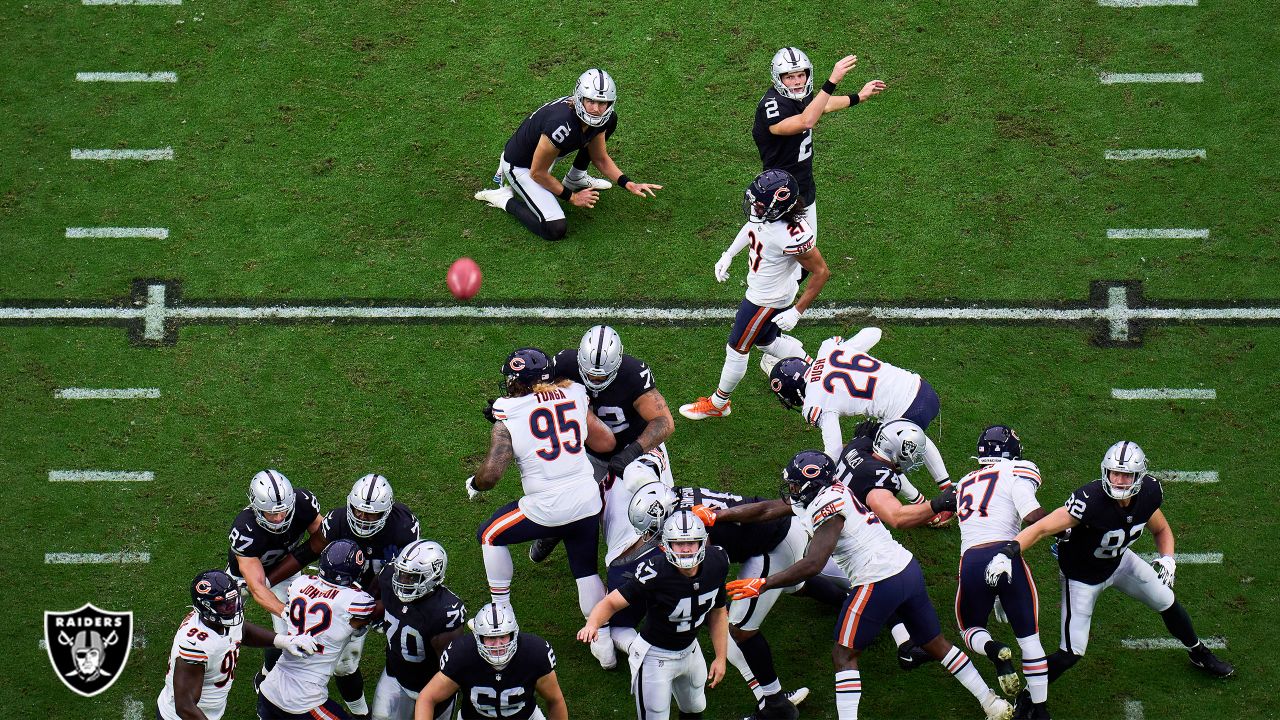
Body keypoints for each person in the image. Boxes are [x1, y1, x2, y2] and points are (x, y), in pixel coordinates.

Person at [697, 451, 1012, 720]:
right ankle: (991, 703)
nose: (791, 488)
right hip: (906, 569)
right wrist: (717, 516)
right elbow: (767, 509)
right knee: (935, 643)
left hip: (876, 581)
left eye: (795, 483)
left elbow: (813, 563)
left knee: (844, 655)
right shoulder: (827, 492)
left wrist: (764, 584)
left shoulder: (828, 508)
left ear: (812, 484)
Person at [986, 441, 1235, 689]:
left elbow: (1161, 529)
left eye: (1126, 475)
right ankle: (1030, 693)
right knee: (1071, 652)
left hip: (1119, 562)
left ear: (1138, 476)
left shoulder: (1148, 493)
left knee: (1166, 600)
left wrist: (1168, 557)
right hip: (1081, 577)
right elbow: (1040, 528)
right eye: (1115, 472)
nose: (1118, 480)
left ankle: (1198, 652)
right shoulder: (1090, 500)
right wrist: (1007, 552)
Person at [467, 347, 617, 668]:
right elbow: (597, 435)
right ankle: (603, 643)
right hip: (587, 500)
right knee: (585, 570)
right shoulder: (576, 392)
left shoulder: (506, 410)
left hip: (546, 508)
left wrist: (474, 484)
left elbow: (491, 475)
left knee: (489, 535)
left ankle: (502, 607)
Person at [680, 169, 830, 421]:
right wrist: (729, 254)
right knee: (766, 342)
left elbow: (821, 272)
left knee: (737, 348)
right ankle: (817, 370)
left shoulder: (791, 234)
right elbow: (753, 227)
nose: (755, 208)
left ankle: (719, 402)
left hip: (765, 300)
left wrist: (797, 311)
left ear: (778, 207)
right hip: (765, 291)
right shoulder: (768, 216)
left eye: (760, 205)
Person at [526, 324, 676, 564]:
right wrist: (505, 409)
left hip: (636, 453)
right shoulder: (564, 364)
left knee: (657, 510)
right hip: (586, 451)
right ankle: (554, 530)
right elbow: (532, 391)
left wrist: (632, 453)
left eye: (602, 376)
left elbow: (664, 422)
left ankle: (657, 562)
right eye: (590, 374)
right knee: (563, 501)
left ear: (616, 366)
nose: (595, 380)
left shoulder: (633, 373)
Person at [767, 327, 954, 516]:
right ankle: (947, 486)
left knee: (879, 457)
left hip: (905, 412)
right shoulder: (828, 349)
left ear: (794, 391)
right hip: (922, 389)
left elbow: (834, 451)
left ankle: (923, 504)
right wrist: (849, 348)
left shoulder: (815, 402)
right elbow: (875, 332)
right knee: (903, 431)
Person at [474, 68, 661, 241]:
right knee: (555, 229)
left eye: (602, 103)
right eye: (591, 101)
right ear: (580, 99)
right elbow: (538, 173)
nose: (596, 109)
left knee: (605, 125)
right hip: (523, 165)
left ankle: (576, 177)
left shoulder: (606, 118)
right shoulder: (561, 126)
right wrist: (572, 197)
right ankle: (504, 199)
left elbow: (599, 158)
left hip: (551, 154)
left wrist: (628, 183)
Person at [578, 510, 730, 720]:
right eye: (678, 543)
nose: (685, 549)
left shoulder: (717, 563)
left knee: (695, 708)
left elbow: (719, 612)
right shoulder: (655, 572)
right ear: (666, 545)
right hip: (655, 656)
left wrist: (721, 657)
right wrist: (593, 624)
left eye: (691, 543)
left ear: (702, 543)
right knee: (655, 715)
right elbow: (612, 601)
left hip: (690, 650)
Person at [299, 474, 420, 717]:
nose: (363, 519)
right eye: (359, 511)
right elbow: (310, 549)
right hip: (345, 596)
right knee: (345, 665)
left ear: (386, 511)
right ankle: (360, 712)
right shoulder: (337, 521)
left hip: (390, 594)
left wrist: (381, 605)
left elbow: (405, 577)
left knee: (407, 647)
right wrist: (269, 576)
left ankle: (409, 690)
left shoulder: (403, 527)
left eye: (372, 514)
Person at [953, 427, 1051, 718]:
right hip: (1006, 556)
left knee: (969, 628)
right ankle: (1039, 709)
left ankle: (995, 650)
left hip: (971, 560)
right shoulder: (1015, 472)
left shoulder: (964, 483)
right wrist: (1064, 529)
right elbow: (1032, 515)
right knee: (1030, 639)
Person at [751, 47, 886, 234]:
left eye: (800, 75)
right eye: (789, 77)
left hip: (804, 185)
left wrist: (859, 97)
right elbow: (806, 120)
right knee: (789, 254)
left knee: (808, 249)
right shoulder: (772, 106)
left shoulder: (800, 94)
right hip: (779, 191)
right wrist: (832, 81)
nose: (797, 81)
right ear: (778, 78)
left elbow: (823, 105)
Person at [157, 569, 318, 720]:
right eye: (224, 605)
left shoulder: (218, 620)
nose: (232, 607)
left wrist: (284, 641)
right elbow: (185, 706)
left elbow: (243, 631)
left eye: (233, 600)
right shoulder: (196, 644)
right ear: (205, 607)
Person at [257, 540, 378, 720]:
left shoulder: (299, 584)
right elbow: (370, 611)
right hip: (303, 700)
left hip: (269, 690)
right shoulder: (356, 601)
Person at [224, 469, 323, 682]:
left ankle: (266, 676)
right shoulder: (245, 529)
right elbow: (257, 587)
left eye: (284, 512)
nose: (279, 519)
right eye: (271, 513)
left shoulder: (303, 503)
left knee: (289, 634)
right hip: (242, 578)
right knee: (220, 626)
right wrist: (285, 611)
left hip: (286, 568)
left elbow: (323, 538)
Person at [415, 603, 568, 720]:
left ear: (514, 634)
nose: (498, 645)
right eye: (491, 638)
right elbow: (427, 698)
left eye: (503, 636)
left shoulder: (535, 653)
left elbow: (555, 699)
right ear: (478, 637)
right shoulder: (462, 654)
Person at [373, 540, 467, 720]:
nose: (402, 581)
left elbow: (450, 667)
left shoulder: (445, 611)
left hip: (430, 684)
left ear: (434, 574)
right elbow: (375, 597)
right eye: (401, 574)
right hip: (395, 675)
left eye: (411, 577)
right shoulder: (388, 577)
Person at [830, 419, 957, 532]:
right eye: (914, 453)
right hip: (848, 533)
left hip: (832, 507)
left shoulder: (857, 445)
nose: (915, 457)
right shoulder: (881, 477)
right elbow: (897, 517)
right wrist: (937, 504)